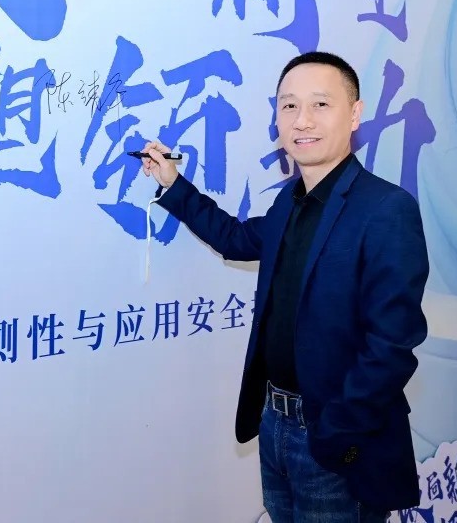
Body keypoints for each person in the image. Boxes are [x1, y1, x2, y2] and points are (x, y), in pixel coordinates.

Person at [139, 51, 429, 523]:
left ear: (355, 113)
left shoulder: (386, 209)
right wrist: (173, 183)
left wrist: (335, 435)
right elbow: (235, 239)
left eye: (320, 104)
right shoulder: (288, 203)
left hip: (333, 441)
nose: (302, 120)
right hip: (274, 423)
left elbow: (392, 346)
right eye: (289, 106)